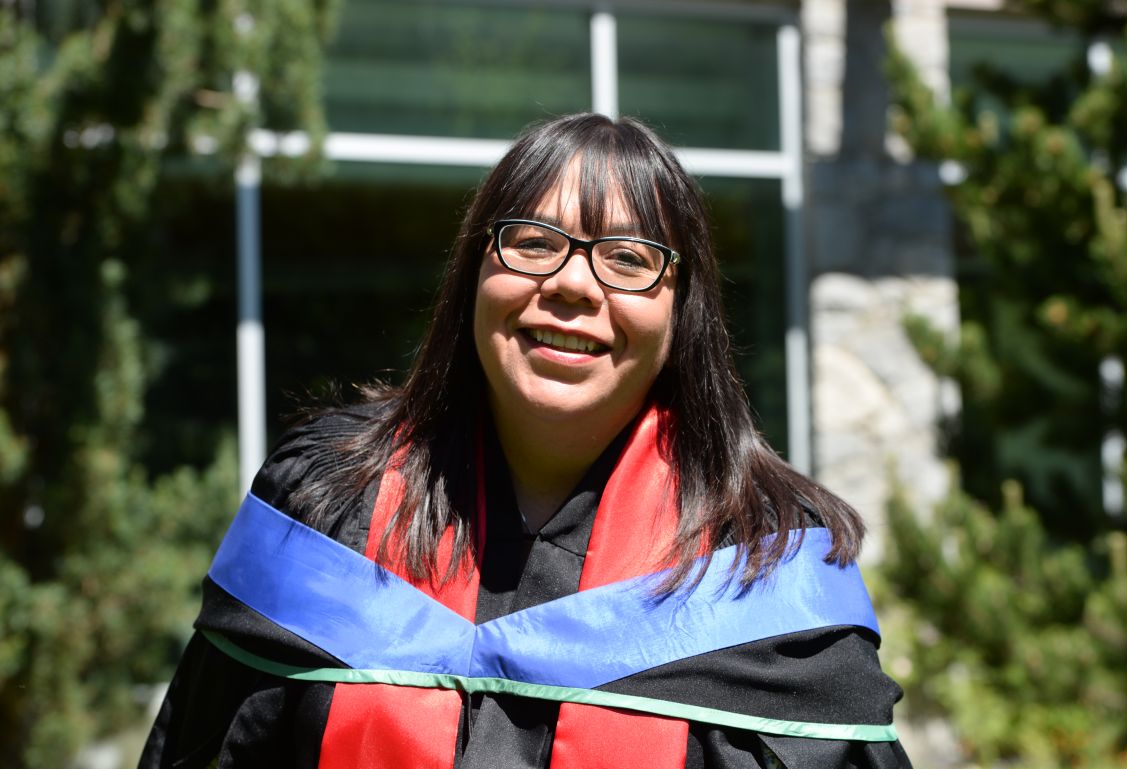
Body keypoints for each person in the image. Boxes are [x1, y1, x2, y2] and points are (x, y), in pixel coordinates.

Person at [139, 113, 912, 769]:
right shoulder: (323, 508)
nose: (575, 284)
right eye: (534, 241)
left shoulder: (764, 571)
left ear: (685, 314)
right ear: (475, 269)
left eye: (629, 259)